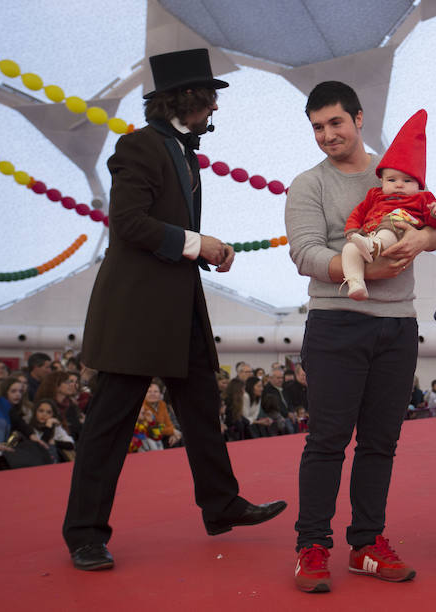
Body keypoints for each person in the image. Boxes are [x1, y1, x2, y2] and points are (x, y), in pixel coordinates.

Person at [62, 48, 286, 572]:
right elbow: (128, 223)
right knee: (110, 425)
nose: (214, 109)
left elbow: (165, 229)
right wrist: (196, 243)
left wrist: (205, 250)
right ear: (185, 97)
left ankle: (221, 504)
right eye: (209, 98)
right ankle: (85, 534)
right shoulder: (139, 145)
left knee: (203, 408)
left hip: (179, 308)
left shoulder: (184, 152)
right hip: (137, 314)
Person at [285, 81, 436, 592]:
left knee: (381, 442)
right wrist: (365, 272)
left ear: (358, 118)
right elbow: (305, 253)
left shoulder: (395, 169)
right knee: (327, 440)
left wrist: (426, 237)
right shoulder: (308, 184)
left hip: (398, 325)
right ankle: (312, 546)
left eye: (335, 122)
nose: (327, 134)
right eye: (317, 127)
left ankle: (366, 544)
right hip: (336, 321)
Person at [340, 109, 436, 300]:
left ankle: (374, 246)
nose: (399, 184)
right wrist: (352, 230)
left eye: (407, 181)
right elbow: (358, 213)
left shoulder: (422, 198)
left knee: (394, 219)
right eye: (392, 180)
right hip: (368, 236)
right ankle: (356, 283)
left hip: (398, 236)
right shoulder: (374, 195)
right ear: (382, 181)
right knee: (349, 249)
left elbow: (434, 223)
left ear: (419, 185)